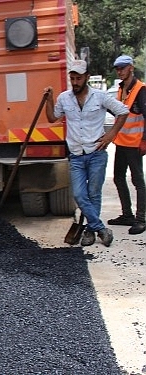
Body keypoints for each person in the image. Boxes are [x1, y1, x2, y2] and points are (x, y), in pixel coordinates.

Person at [44, 59, 129, 247]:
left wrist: (111, 135)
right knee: (80, 195)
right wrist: (49, 101)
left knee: (93, 193)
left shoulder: (100, 97)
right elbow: (51, 118)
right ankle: (100, 228)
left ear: (87, 78)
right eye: (72, 78)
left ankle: (90, 232)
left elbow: (123, 111)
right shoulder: (65, 98)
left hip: (96, 152)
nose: (75, 82)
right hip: (76, 154)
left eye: (78, 78)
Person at [107, 55, 146, 235]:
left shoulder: (140, 89)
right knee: (118, 177)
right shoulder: (121, 89)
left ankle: (141, 219)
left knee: (138, 181)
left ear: (130, 68)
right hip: (121, 142)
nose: (119, 71)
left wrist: (144, 140)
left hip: (134, 143)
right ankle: (127, 215)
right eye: (117, 69)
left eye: (122, 68)